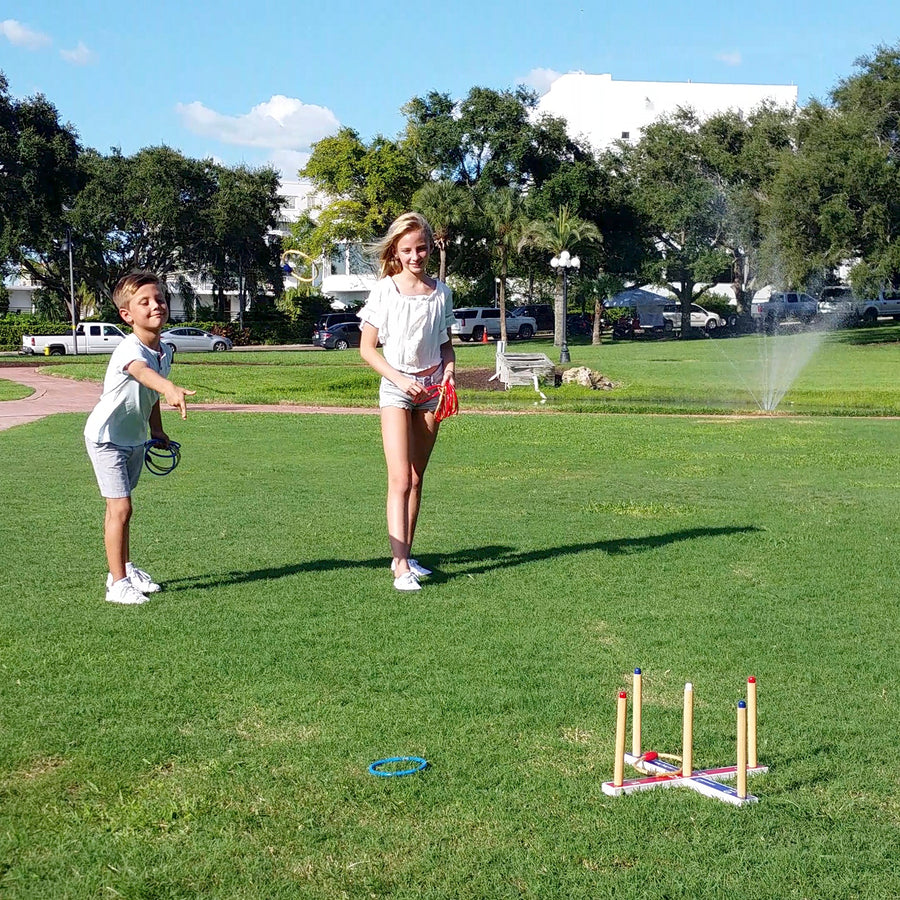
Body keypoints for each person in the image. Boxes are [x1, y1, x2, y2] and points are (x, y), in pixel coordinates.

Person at [358, 212, 456, 592]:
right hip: (396, 389)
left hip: (432, 392)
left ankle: (408, 556)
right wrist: (401, 380)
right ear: (395, 253)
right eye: (407, 250)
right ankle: (398, 564)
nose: (416, 256)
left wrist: (448, 372)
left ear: (431, 248)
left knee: (416, 478)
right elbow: (367, 349)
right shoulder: (385, 290)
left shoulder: (441, 292)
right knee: (399, 478)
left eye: (422, 248)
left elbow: (446, 347)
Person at [84, 272, 195, 605]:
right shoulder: (129, 349)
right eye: (143, 302)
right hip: (107, 438)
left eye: (159, 299)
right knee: (121, 508)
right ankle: (117, 585)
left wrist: (157, 430)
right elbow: (142, 374)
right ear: (127, 314)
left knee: (122, 510)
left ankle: (125, 570)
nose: (155, 305)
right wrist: (170, 388)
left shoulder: (164, 350)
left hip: (133, 438)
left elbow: (149, 393)